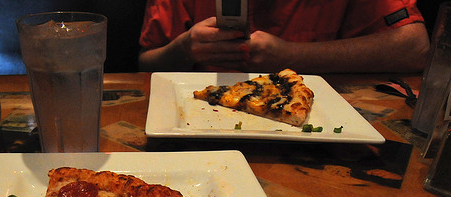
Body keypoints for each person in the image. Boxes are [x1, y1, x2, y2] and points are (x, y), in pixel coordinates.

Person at [138, 0, 430, 73]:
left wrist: (292, 56)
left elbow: (415, 47)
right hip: (198, 128)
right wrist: (184, 48)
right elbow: (146, 63)